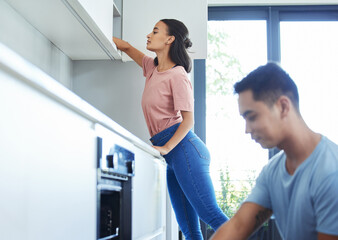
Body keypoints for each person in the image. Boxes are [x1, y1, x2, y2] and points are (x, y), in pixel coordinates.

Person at [113, 19, 228, 239]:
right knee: (188, 229)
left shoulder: (178, 75)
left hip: (185, 150)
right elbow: (126, 47)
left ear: (169, 39)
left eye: (155, 31)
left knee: (212, 216)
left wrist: (166, 146)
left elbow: (188, 120)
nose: (148, 35)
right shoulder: (152, 68)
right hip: (173, 157)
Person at [211, 62, 338, 240]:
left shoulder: (331, 172)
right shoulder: (273, 172)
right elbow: (238, 226)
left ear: (283, 107)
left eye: (252, 117)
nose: (247, 129)